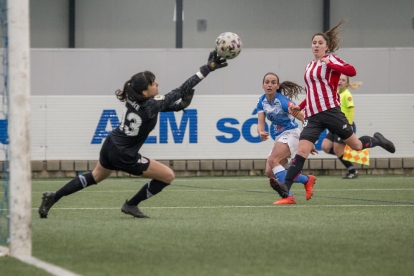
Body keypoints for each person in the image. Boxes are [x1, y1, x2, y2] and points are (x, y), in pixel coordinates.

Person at [38, 50, 228, 219]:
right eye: (154, 84)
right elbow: (180, 90)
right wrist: (207, 68)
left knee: (94, 176)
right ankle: (131, 204)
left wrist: (179, 107)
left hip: (110, 145)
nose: (158, 84)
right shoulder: (151, 103)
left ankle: (54, 196)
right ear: (145, 91)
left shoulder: (135, 97)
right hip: (124, 155)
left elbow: (157, 108)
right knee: (167, 176)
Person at [272, 19, 395, 199]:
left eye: (320, 43)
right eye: (314, 43)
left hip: (331, 112)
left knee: (357, 146)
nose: (316, 45)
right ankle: (286, 187)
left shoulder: (330, 59)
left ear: (326, 46)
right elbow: (313, 92)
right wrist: (302, 106)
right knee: (302, 151)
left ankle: (377, 140)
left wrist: (332, 65)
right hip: (313, 116)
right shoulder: (308, 66)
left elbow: (351, 71)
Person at [257, 72, 317, 204]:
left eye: (273, 82)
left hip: (292, 133)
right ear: (263, 85)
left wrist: (308, 139)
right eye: (267, 82)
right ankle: (306, 180)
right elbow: (260, 122)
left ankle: (288, 196)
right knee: (269, 172)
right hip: (280, 136)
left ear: (277, 86)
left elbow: (304, 118)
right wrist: (261, 132)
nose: (270, 85)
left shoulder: (283, 102)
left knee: (273, 160)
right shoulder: (261, 101)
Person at [321, 74, 362, 179]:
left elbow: (351, 109)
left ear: (347, 83)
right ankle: (344, 157)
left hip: (344, 126)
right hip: (335, 125)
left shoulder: (347, 94)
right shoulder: (337, 93)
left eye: (343, 80)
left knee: (338, 150)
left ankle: (352, 171)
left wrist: (350, 124)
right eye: (339, 79)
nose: (340, 81)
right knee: (325, 147)